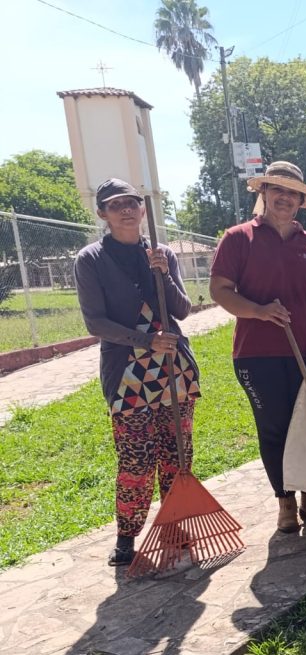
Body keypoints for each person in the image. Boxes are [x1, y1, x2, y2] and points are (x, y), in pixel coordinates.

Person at [74, 179, 201, 566]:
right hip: (128, 372)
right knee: (136, 457)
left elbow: (181, 311)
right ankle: (127, 535)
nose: (126, 210)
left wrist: (161, 273)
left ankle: (174, 524)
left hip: (172, 370)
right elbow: (95, 321)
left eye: (132, 202)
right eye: (115, 206)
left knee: (177, 453)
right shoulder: (91, 259)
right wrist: (144, 342)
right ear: (102, 214)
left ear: (143, 209)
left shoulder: (162, 254)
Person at [209, 161, 306, 533]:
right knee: (274, 428)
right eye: (277, 190)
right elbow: (220, 290)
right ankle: (285, 501)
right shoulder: (237, 239)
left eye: (292, 193)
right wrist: (259, 311)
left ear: (300, 201)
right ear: (263, 193)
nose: (284, 197)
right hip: (256, 354)